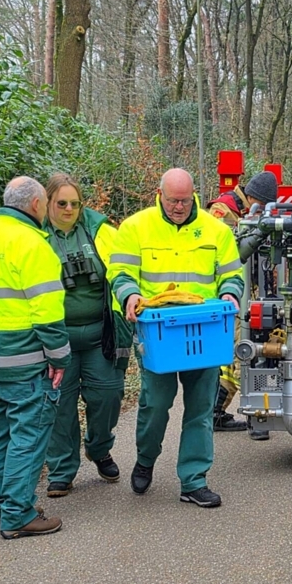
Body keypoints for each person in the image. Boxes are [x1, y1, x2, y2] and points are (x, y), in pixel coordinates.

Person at [107, 168, 244, 507]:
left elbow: (232, 273)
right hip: (159, 333)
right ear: (159, 194)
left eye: (184, 200)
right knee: (156, 405)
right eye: (172, 201)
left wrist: (230, 293)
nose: (179, 207)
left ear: (194, 195)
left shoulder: (216, 230)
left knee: (200, 409)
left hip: (205, 328)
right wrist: (129, 296)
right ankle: (146, 458)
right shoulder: (136, 227)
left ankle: (194, 480)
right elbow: (120, 271)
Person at [0, 176, 70, 539]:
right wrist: (59, 358)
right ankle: (18, 514)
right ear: (38, 205)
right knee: (28, 434)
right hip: (27, 360)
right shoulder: (33, 244)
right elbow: (47, 312)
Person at [42, 173, 133, 498]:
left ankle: (99, 448)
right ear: (48, 203)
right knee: (60, 405)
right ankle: (62, 470)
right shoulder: (35, 236)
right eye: (61, 203)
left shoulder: (100, 231)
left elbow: (124, 269)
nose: (69, 209)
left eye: (75, 203)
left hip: (100, 335)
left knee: (108, 394)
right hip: (56, 339)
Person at [207, 170, 278, 440]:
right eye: (260, 204)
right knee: (245, 353)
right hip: (229, 295)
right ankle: (255, 416)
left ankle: (216, 412)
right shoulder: (222, 211)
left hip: (244, 293)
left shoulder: (242, 210)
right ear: (251, 197)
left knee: (234, 355)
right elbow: (229, 256)